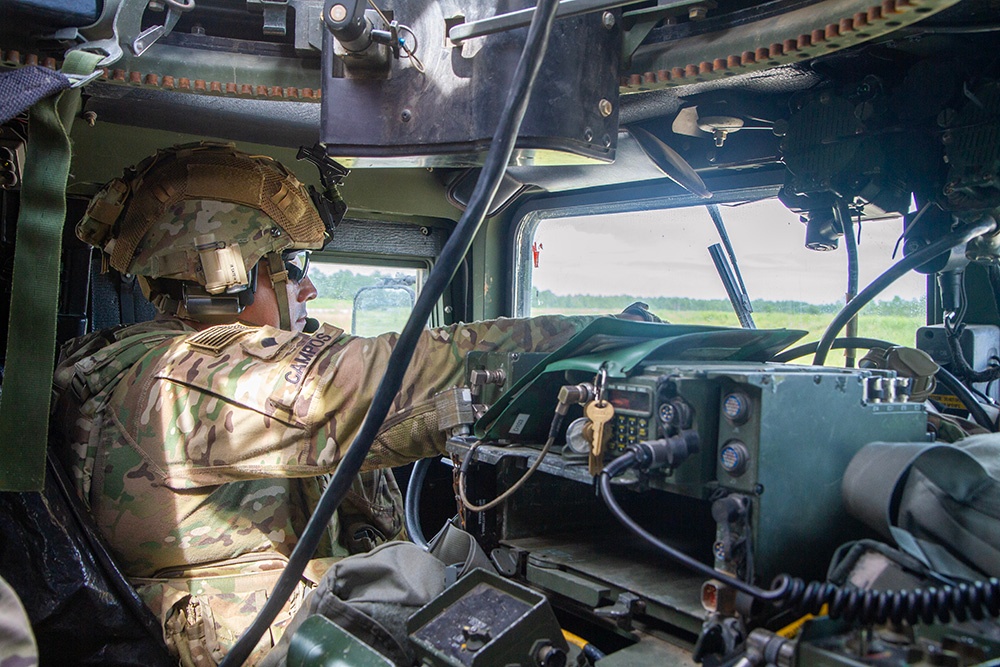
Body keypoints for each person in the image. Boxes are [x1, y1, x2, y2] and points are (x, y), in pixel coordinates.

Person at [51, 143, 660, 665]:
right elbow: (385, 380)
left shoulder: (153, 364)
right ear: (223, 276)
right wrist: (609, 343)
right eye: (288, 267)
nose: (309, 286)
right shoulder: (176, 379)